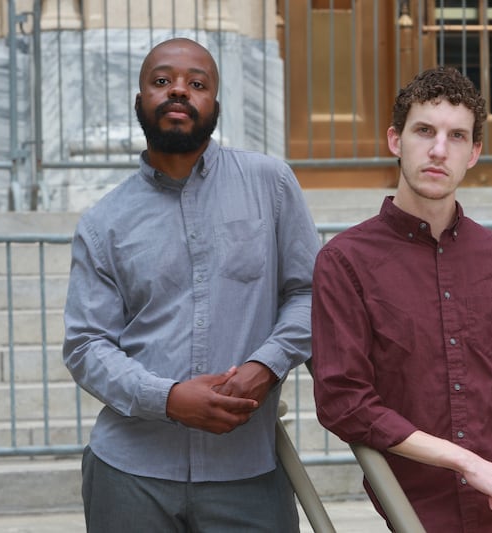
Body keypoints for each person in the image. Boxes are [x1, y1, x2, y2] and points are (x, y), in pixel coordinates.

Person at [63, 37, 320, 532]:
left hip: (247, 473)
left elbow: (310, 293)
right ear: (139, 101)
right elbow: (86, 345)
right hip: (130, 475)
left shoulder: (271, 184)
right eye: (162, 81)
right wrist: (167, 397)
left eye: (196, 84)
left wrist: (266, 366)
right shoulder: (104, 222)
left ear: (215, 105)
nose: (178, 91)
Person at [311, 66, 492, 532]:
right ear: (395, 140)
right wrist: (467, 463)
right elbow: (345, 402)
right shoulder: (344, 262)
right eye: (424, 131)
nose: (439, 150)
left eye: (457, 136)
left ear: (474, 152)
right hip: (422, 513)